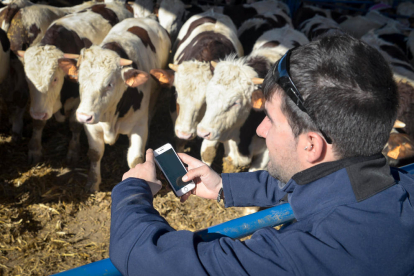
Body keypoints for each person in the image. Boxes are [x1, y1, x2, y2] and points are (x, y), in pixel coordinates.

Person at [109, 34, 414, 275]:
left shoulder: (301, 257)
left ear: (311, 145)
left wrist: (131, 192)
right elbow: (321, 184)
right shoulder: (399, 187)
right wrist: (223, 188)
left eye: (270, 118)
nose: (260, 130)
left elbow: (148, 259)